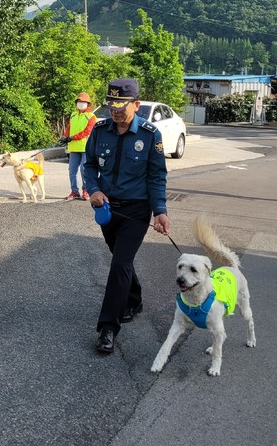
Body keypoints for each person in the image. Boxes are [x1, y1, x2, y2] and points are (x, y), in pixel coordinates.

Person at [83, 78, 170, 354]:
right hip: (107, 209)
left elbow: (157, 176)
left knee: (120, 263)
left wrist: (160, 211)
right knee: (121, 259)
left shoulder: (149, 134)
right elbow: (89, 165)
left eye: (121, 105)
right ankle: (134, 298)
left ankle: (108, 327)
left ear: (136, 104)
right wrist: (94, 189)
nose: (115, 111)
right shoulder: (100, 130)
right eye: (111, 105)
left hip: (136, 210)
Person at [59, 92, 97, 200]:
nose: (81, 104)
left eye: (83, 102)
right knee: (72, 170)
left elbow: (87, 132)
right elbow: (69, 128)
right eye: (79, 102)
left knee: (84, 170)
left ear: (88, 104)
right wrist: (65, 137)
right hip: (74, 147)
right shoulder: (73, 114)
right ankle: (74, 191)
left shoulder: (91, 116)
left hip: (85, 147)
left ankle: (86, 190)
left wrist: (72, 137)